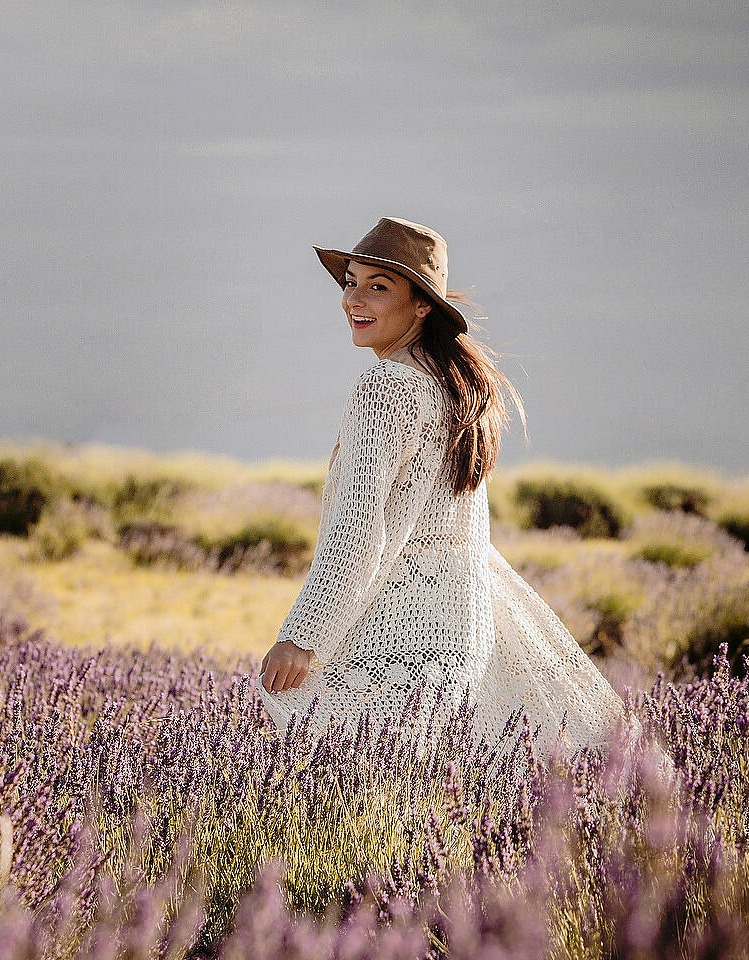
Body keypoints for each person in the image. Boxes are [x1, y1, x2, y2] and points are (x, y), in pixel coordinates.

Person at [253, 217, 627, 769]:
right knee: (437, 797)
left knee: (345, 780)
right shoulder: (455, 388)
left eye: (379, 287)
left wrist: (303, 635)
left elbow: (358, 533)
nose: (354, 300)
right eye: (351, 283)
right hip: (458, 629)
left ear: (422, 305)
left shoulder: (385, 388)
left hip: (397, 633)